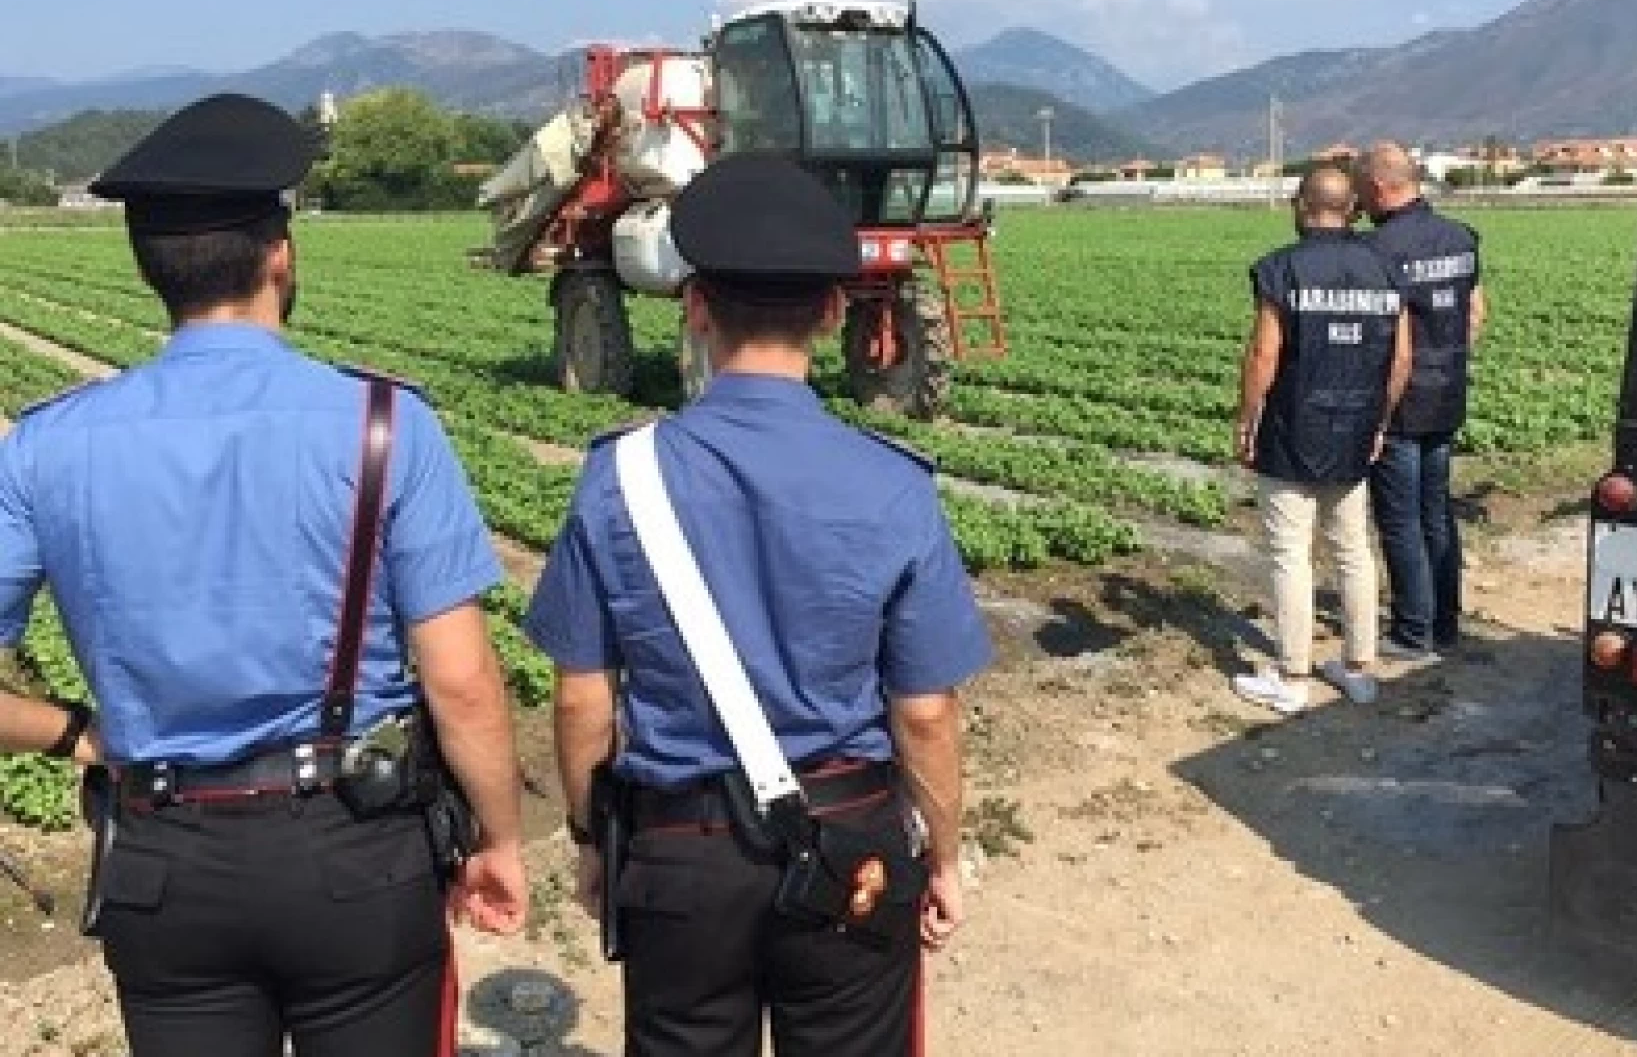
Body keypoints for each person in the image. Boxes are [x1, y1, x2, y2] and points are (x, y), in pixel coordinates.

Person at [0, 94, 528, 1055]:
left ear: (150, 270)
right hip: (353, 853)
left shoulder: (44, 448)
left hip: (162, 866)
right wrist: (496, 839)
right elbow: (461, 679)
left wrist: (79, 735)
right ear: (279, 255)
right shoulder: (384, 427)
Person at [525, 153, 993, 1057]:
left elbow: (583, 697)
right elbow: (927, 712)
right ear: (830, 311)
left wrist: (592, 839)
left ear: (695, 305)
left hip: (678, 851)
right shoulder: (892, 486)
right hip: (848, 843)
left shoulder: (619, 478)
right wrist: (939, 856)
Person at [1233, 165, 1412, 713]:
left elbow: (1265, 354)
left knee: (1290, 552)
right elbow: (1402, 356)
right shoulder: (1384, 269)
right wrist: (1381, 420)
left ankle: (1291, 677)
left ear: (1302, 204)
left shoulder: (1281, 269)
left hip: (1293, 424)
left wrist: (1246, 417)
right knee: (1353, 550)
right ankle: (1359, 669)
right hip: (1357, 426)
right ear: (1351, 207)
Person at [1356, 142, 1489, 660]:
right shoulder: (1461, 238)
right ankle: (1447, 622)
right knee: (1437, 510)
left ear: (1379, 186)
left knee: (1400, 516)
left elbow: (1388, 341)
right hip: (1448, 391)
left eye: (1363, 190)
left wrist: (1378, 407)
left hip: (1402, 400)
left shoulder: (1377, 252)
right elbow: (1477, 313)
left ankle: (1413, 632)